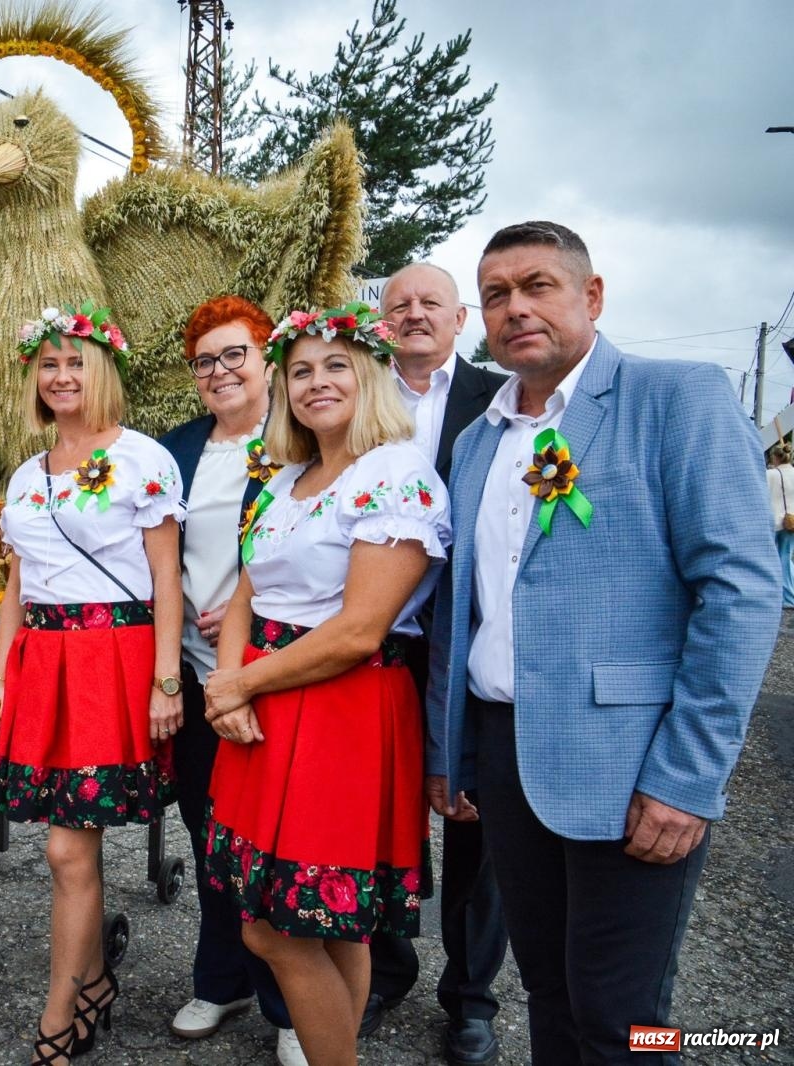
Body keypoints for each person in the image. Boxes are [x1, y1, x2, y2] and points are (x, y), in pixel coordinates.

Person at [426, 221, 780, 1064]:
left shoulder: (676, 398)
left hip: (630, 763)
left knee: (624, 1018)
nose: (515, 308)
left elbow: (739, 590)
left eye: (537, 285)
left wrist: (687, 781)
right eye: (498, 294)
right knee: (547, 989)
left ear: (592, 296)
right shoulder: (478, 442)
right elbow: (463, 608)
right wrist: (456, 755)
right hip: (506, 754)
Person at [204, 304, 450, 1066]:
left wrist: (239, 684)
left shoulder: (395, 474)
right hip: (266, 699)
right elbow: (247, 589)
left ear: (369, 375)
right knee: (314, 923)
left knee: (279, 926)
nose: (317, 382)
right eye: (301, 370)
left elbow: (358, 631)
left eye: (336, 365)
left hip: (340, 708)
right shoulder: (287, 477)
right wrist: (229, 681)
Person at [0, 303, 184, 1065]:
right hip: (45, 662)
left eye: (76, 362)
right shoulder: (26, 474)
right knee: (67, 847)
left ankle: (61, 1005)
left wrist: (167, 682)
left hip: (112, 661)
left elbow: (167, 578)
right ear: (34, 377)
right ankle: (93, 983)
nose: (62, 376)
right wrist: (1, 674)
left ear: (103, 371)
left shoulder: (145, 458)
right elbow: (16, 585)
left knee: (68, 852)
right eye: (49, 364)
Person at [369, 263, 508, 1064]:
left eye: (430, 304)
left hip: (472, 636)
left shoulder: (499, 396)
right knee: (382, 811)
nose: (415, 315)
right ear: (381, 322)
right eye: (399, 306)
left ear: (461, 318)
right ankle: (386, 964)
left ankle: (471, 996)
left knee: (471, 817)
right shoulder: (356, 392)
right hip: (381, 637)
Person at [157, 295, 302, 1065]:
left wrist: (250, 611)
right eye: (205, 360)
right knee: (208, 836)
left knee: (276, 845)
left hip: (279, 676)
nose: (219, 371)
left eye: (233, 354)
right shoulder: (176, 448)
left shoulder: (300, 440)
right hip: (197, 674)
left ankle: (291, 1002)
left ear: (265, 358)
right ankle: (221, 980)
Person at [767, 443, 794, 607]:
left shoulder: (770, 474)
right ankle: (788, 593)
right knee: (786, 555)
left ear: (775, 457)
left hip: (775, 522)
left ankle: (788, 597)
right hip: (792, 521)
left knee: (775, 558)